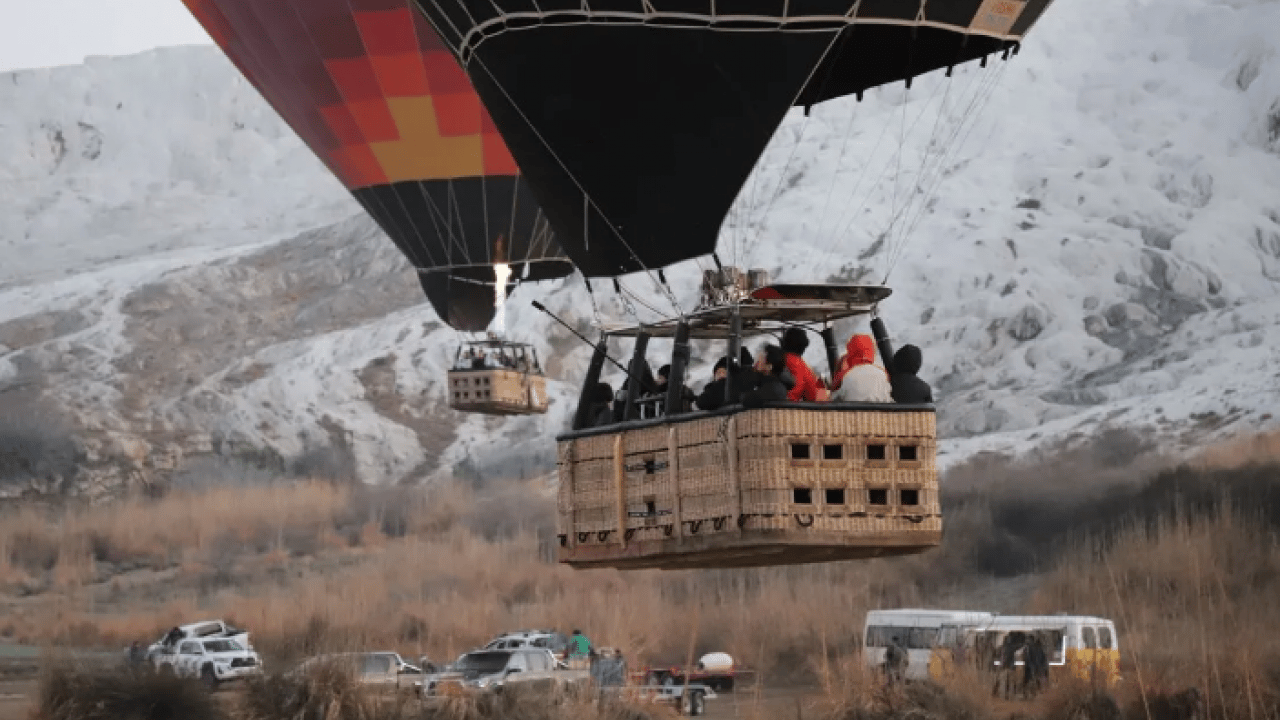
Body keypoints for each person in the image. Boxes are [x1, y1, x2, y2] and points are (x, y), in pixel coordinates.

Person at [829, 334, 892, 402]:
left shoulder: (847, 376)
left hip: (852, 412)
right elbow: (887, 397)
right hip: (879, 412)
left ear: (850, 351)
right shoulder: (883, 374)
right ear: (872, 350)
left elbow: (835, 399)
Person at [781, 328, 827, 402]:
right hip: (801, 404)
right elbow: (809, 391)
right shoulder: (799, 363)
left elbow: (799, 385)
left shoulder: (785, 359)